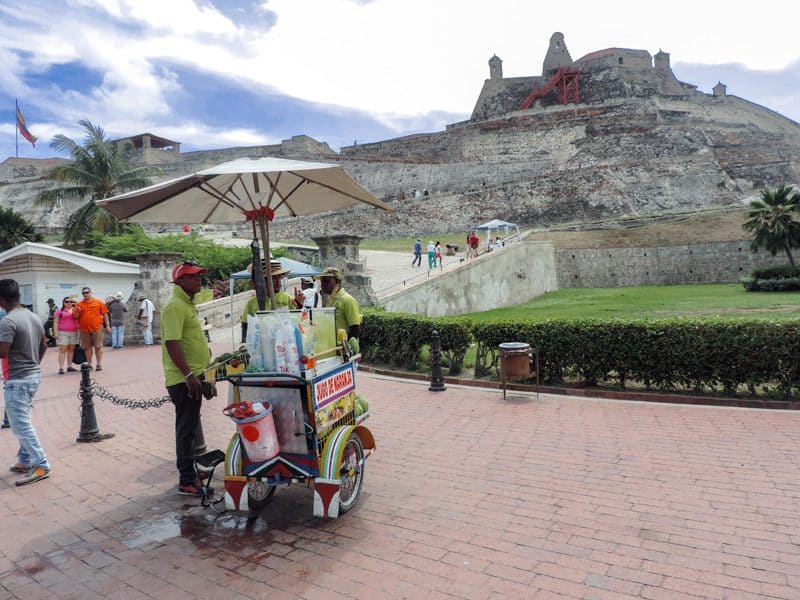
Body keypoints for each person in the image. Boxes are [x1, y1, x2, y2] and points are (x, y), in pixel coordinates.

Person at [161, 260, 216, 497]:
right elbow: (172, 344)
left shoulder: (187, 304)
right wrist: (190, 376)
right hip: (183, 380)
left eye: (199, 275)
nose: (199, 280)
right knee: (186, 428)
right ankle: (186, 479)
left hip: (195, 375)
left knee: (192, 426)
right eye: (193, 276)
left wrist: (208, 377)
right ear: (180, 280)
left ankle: (193, 470)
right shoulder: (174, 306)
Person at [0, 278, 51, 486]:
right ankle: (25, 460)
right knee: (22, 420)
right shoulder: (33, 316)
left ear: (1, 300)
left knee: (20, 424)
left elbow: (2, 351)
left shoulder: (8, 321)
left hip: (18, 379)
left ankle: (42, 465)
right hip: (32, 376)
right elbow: (44, 346)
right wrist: (33, 364)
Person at [241, 260, 295, 342]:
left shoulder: (289, 299)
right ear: (262, 281)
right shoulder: (251, 303)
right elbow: (245, 326)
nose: (278, 282)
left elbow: (298, 323)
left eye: (279, 277)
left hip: (284, 345)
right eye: (273, 278)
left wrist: (300, 305)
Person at [318, 267, 361, 352]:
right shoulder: (330, 300)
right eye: (322, 281)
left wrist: (347, 349)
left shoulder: (347, 300)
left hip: (343, 351)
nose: (323, 284)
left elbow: (355, 328)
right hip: (330, 349)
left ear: (338, 282)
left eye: (327, 281)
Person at [76, 287, 110, 371]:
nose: (85, 294)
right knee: (87, 348)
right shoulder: (79, 304)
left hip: (97, 328)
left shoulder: (98, 302)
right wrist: (77, 311)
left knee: (98, 346)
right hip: (84, 329)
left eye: (87, 292)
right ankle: (89, 364)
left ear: (91, 292)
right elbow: (75, 317)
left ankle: (98, 364)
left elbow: (105, 314)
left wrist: (107, 326)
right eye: (83, 293)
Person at [53, 297, 79, 374]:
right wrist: (55, 333)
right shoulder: (59, 311)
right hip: (63, 332)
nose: (69, 303)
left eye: (71, 301)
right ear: (64, 302)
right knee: (63, 349)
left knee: (71, 349)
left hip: (74, 332)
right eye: (67, 301)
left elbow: (78, 319)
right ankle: (61, 368)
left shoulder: (75, 310)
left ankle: (69, 366)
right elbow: (55, 322)